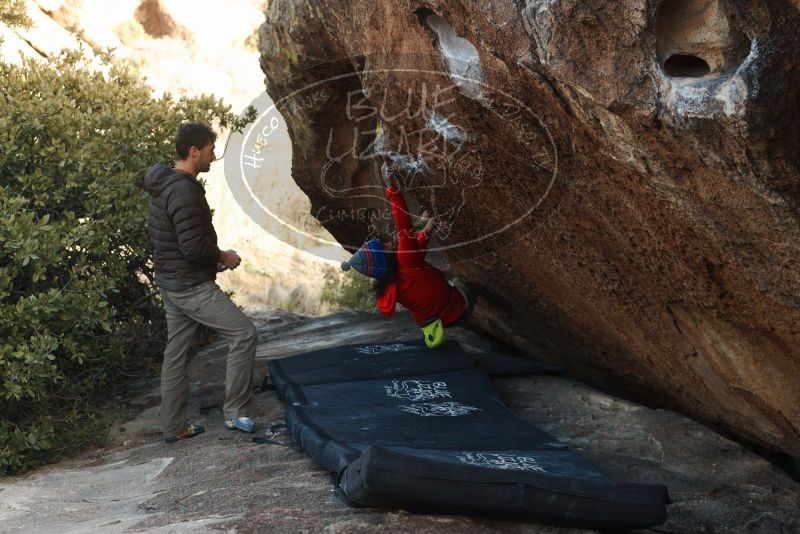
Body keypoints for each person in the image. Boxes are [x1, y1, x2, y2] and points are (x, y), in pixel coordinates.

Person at [144, 122, 258, 443]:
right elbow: (193, 247)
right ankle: (236, 413)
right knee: (244, 334)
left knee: (176, 355)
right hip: (190, 287)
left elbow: (168, 238)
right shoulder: (183, 190)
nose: (213, 155)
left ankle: (173, 427)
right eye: (210, 149)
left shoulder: (164, 183)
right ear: (194, 151)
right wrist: (223, 256)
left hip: (171, 283)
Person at [341, 161, 476, 347]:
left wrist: (427, 228)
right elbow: (403, 226)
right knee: (463, 281)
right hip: (457, 311)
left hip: (435, 323)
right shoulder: (405, 261)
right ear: (385, 256)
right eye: (384, 245)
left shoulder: (389, 280)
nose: (388, 242)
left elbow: (416, 255)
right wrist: (391, 187)